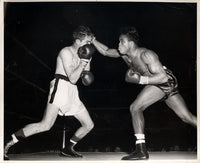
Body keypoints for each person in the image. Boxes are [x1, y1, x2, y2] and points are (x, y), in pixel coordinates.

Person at [91, 26, 197, 160]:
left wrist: (140, 80)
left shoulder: (146, 54)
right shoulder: (124, 54)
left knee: (135, 107)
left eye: (121, 41)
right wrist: (93, 40)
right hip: (157, 83)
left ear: (130, 43)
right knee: (186, 117)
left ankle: (141, 150)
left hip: (163, 81)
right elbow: (106, 51)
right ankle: (141, 150)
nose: (118, 44)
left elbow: (163, 77)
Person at [4, 25, 95, 160]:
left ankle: (68, 148)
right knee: (46, 125)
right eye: (87, 42)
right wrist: (83, 63)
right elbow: (73, 78)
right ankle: (7, 142)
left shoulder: (85, 53)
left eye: (90, 42)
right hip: (60, 86)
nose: (89, 45)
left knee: (89, 125)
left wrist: (87, 60)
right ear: (77, 41)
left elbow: (85, 78)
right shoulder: (66, 52)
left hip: (72, 91)